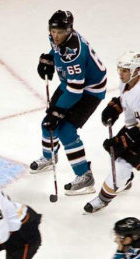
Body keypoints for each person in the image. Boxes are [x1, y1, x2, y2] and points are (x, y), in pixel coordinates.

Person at [31, 10, 107, 195]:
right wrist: (49, 58)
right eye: (53, 31)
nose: (55, 36)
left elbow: (75, 91)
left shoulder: (74, 54)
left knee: (65, 129)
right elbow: (57, 49)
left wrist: (58, 112)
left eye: (60, 32)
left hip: (90, 90)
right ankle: (50, 158)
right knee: (47, 124)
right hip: (72, 83)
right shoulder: (60, 36)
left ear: (69, 30)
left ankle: (85, 177)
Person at [84, 51, 140, 213]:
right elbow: (125, 99)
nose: (120, 73)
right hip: (134, 127)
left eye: (125, 70)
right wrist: (114, 107)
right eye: (120, 69)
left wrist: (124, 140)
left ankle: (103, 199)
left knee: (121, 166)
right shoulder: (127, 83)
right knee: (117, 152)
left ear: (136, 71)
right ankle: (125, 180)